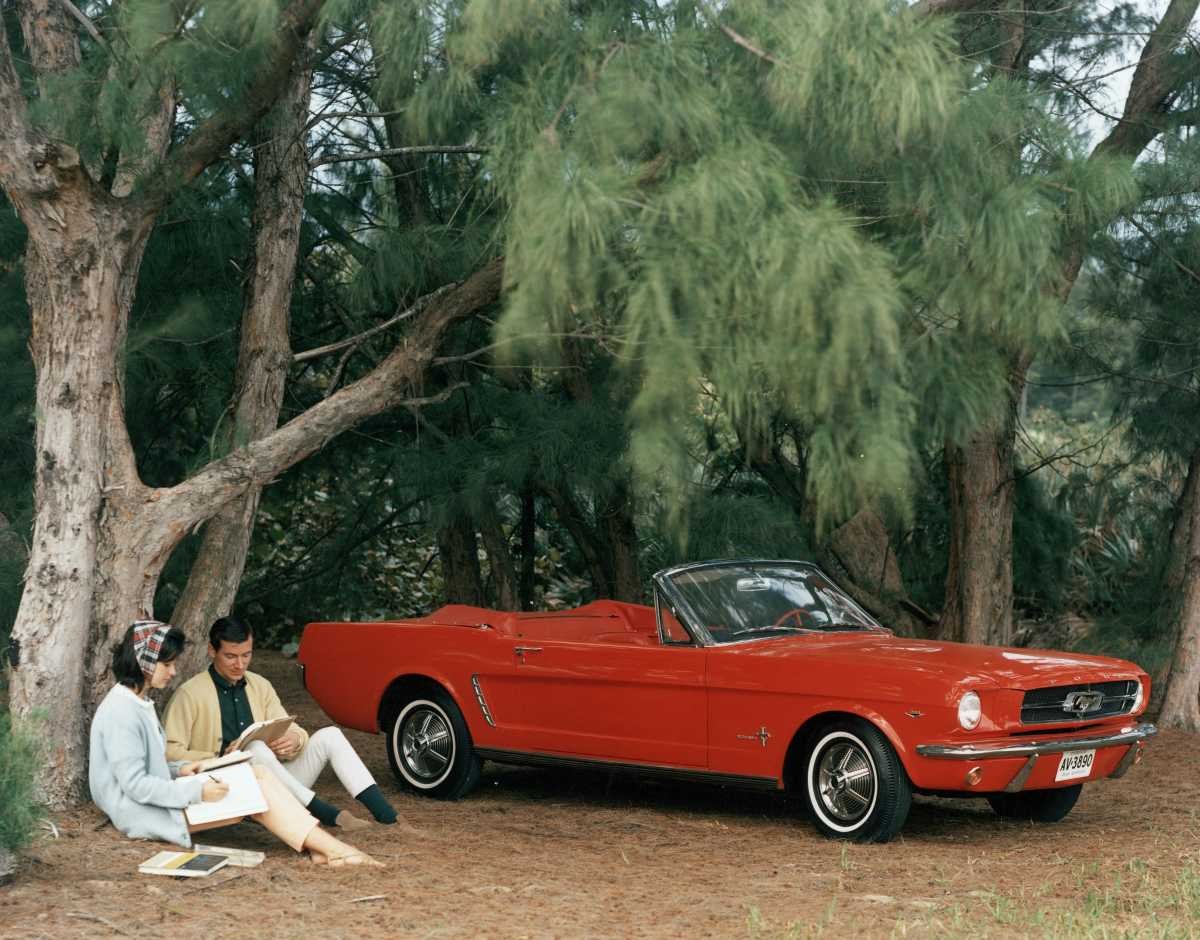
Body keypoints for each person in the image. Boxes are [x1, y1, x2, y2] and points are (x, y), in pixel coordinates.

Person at [89, 620, 380, 868]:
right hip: (145, 812)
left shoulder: (139, 702)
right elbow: (135, 786)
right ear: (144, 663)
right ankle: (333, 849)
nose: (174, 671)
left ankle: (322, 848)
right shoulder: (122, 712)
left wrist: (184, 768)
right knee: (256, 782)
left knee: (259, 775)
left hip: (170, 794)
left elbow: (156, 766)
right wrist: (197, 788)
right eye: (167, 664)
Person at [164, 615, 397, 830]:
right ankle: (324, 813)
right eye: (231, 656)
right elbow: (169, 752)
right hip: (226, 789)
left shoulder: (260, 685)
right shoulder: (190, 694)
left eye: (246, 655)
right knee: (255, 749)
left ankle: (387, 815)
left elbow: (290, 727)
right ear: (212, 651)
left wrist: (293, 739)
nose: (240, 664)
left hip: (275, 786)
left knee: (330, 735)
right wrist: (219, 756)